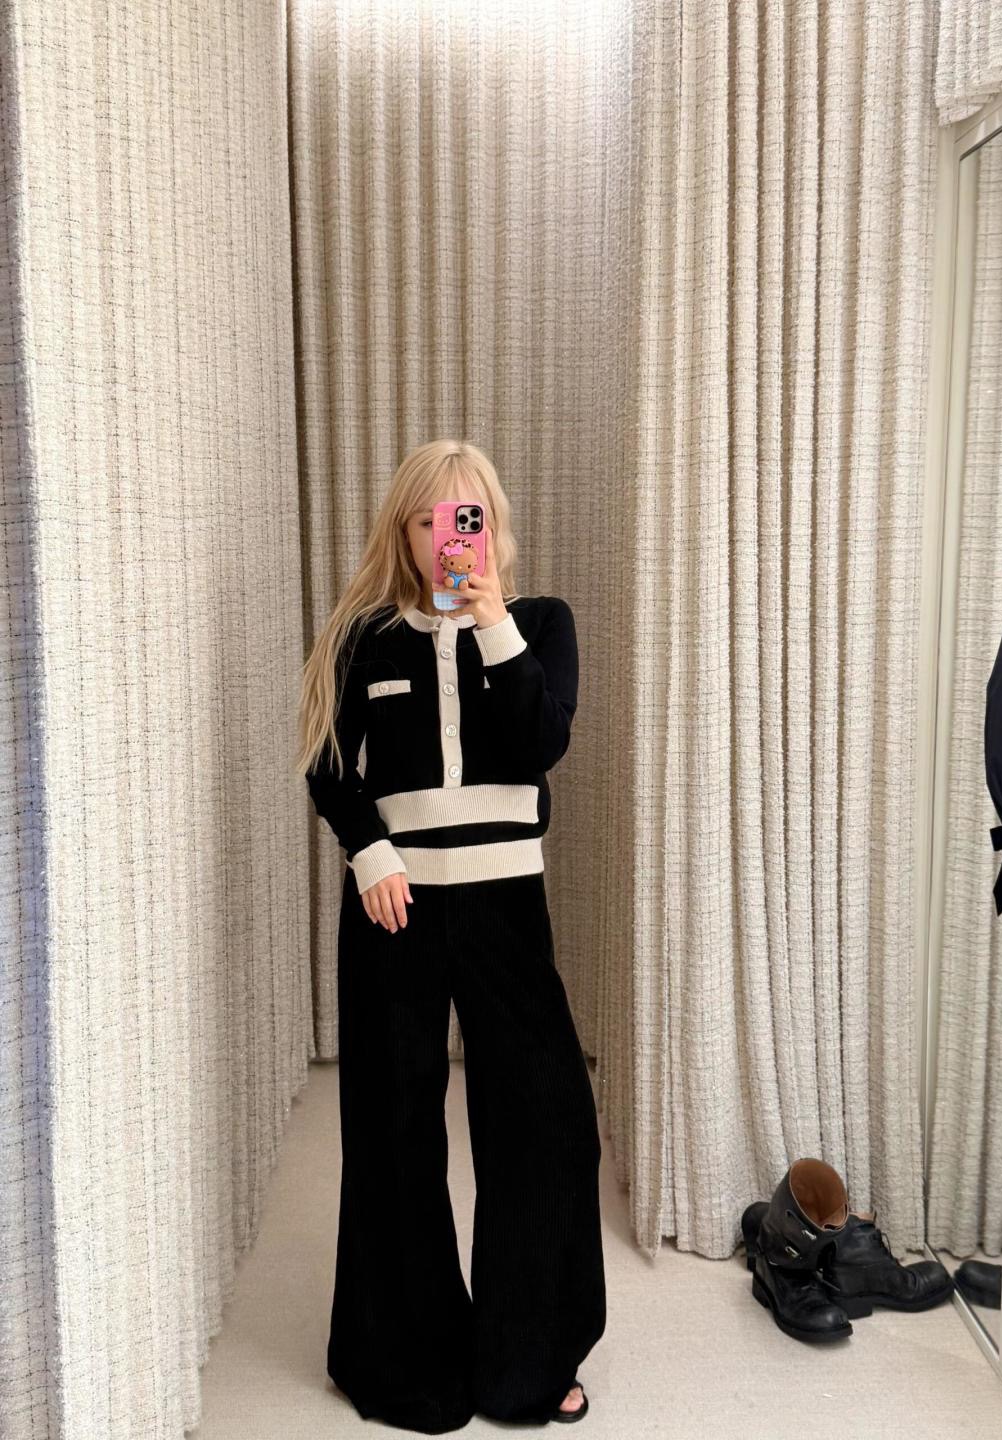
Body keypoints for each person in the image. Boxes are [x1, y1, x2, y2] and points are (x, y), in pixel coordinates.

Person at [295, 439, 606, 1433]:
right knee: (393, 1126)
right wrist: (367, 850)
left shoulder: (540, 623)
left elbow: (541, 740)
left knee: (543, 1124)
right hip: (396, 908)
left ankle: (528, 1361)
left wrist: (489, 621)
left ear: (492, 525)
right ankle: (404, 1363)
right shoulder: (367, 636)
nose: (448, 536)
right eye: (430, 518)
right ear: (406, 529)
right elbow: (329, 764)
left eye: (465, 516)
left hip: (506, 905)